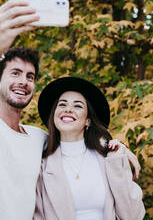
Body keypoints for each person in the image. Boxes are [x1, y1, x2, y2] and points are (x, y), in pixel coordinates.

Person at [0, 0, 141, 220]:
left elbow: (77, 143)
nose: (23, 81)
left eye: (30, 76)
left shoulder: (37, 138)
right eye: (15, 73)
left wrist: (118, 150)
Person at [34, 77, 145, 220]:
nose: (68, 109)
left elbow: (133, 216)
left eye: (78, 106)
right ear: (54, 115)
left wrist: (119, 160)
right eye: (62, 104)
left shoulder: (108, 158)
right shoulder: (41, 164)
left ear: (88, 121)